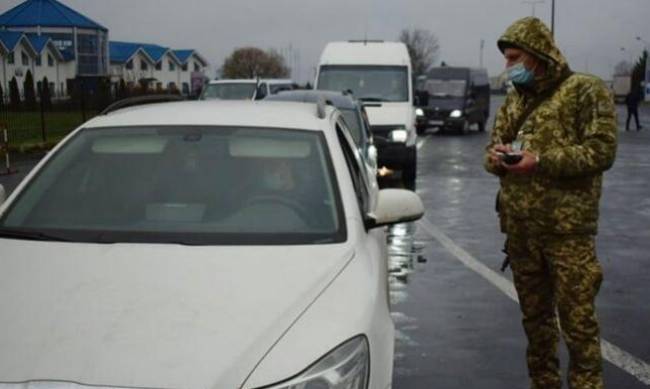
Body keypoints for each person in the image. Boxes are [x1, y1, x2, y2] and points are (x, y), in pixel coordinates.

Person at [484, 17, 618, 389]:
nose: (508, 66)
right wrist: (497, 158)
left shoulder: (584, 91)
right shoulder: (514, 101)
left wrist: (540, 161)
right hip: (522, 232)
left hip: (567, 234)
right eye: (506, 59)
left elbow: (601, 150)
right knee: (536, 324)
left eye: (514, 58)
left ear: (538, 55)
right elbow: (490, 152)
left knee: (578, 326)